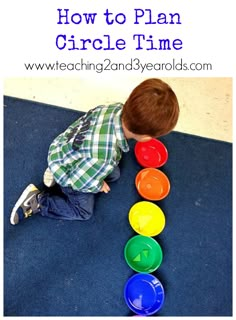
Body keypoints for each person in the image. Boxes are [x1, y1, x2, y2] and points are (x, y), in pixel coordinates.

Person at [10, 78, 180, 225]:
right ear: (144, 137)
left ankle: (57, 168)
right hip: (74, 173)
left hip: (63, 148)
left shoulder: (114, 108)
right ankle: (40, 202)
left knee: (114, 174)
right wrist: (98, 185)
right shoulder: (104, 158)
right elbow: (80, 182)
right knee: (83, 212)